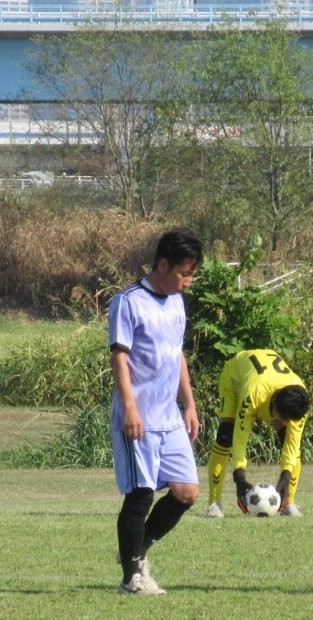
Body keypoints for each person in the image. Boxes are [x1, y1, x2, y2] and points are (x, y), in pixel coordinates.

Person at [109, 227, 204, 595]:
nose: (188, 282)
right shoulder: (128, 302)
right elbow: (120, 357)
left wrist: (189, 403)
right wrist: (130, 408)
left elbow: (177, 354)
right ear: (163, 265)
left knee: (187, 491)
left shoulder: (177, 302)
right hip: (140, 416)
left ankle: (137, 550)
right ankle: (131, 579)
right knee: (141, 494)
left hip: (169, 415)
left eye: (192, 274)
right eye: (184, 273)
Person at [204, 349, 311, 518]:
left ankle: (289, 503)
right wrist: (239, 476)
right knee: (226, 436)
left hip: (266, 383)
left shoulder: (300, 398)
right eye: (280, 417)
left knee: (288, 441)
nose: (283, 423)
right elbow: (240, 437)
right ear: (274, 401)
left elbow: (292, 445)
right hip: (235, 381)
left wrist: (285, 478)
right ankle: (214, 502)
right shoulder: (254, 393)